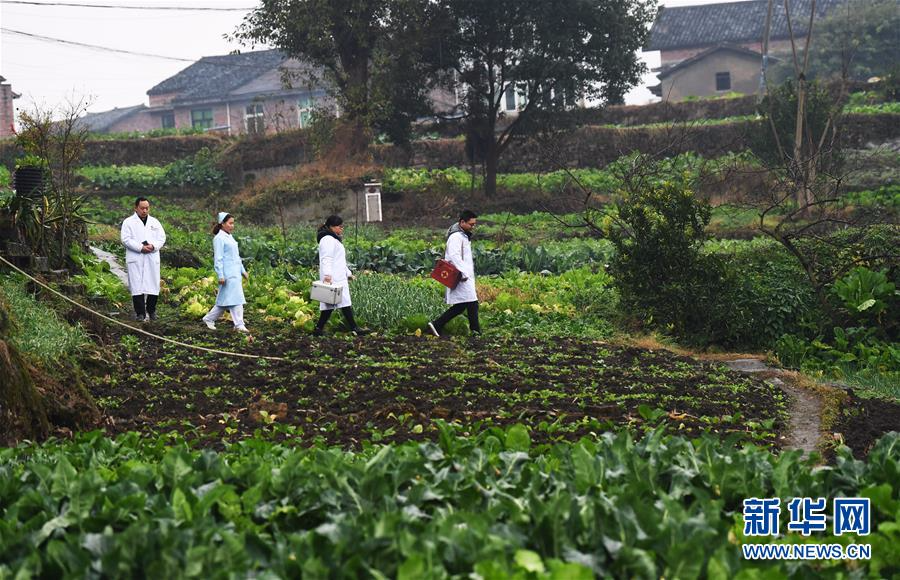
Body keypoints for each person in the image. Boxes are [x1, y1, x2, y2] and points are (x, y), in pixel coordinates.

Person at [313, 215, 368, 336]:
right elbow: (326, 259)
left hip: (338, 276)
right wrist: (327, 275)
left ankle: (319, 329)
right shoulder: (327, 239)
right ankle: (353, 328)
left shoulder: (333, 239)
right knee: (332, 304)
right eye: (339, 226)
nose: (342, 229)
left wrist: (348, 273)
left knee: (339, 303)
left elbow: (339, 260)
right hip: (333, 277)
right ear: (332, 227)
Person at [428, 210, 481, 337]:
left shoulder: (463, 235)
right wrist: (464, 272)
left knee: (464, 305)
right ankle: (476, 332)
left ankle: (436, 324)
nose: (473, 227)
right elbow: (454, 256)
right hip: (461, 276)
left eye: (474, 224)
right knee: (471, 303)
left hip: (464, 275)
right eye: (471, 224)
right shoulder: (456, 236)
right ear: (462, 222)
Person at [202, 212, 250, 333]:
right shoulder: (218, 238)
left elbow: (236, 257)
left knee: (224, 302)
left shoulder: (230, 237)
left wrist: (243, 271)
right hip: (227, 274)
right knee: (236, 299)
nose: (232, 226)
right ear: (222, 224)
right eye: (230, 223)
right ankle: (239, 324)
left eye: (233, 223)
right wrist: (221, 275)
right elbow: (218, 258)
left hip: (235, 273)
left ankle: (208, 318)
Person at [121, 196, 166, 321]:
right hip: (136, 257)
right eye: (142, 208)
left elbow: (162, 238)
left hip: (151, 256)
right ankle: (140, 313)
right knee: (137, 286)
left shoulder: (155, 222)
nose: (145, 211)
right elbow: (125, 239)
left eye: (147, 208)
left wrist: (153, 246)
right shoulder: (128, 222)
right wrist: (140, 247)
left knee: (153, 284)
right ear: (136, 208)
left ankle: (151, 311)